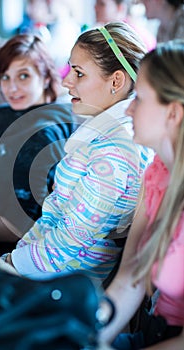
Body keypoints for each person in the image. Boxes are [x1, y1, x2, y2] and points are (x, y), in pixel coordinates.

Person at [0, 21, 152, 282]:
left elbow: (69, 242)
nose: (67, 81)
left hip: (64, 288)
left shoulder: (114, 152)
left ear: (116, 80)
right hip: (43, 269)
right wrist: (15, 256)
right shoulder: (105, 136)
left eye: (79, 73)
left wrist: (10, 263)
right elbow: (55, 214)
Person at [0, 34, 78, 253]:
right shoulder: (1, 113)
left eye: (23, 76)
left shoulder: (46, 133)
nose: (12, 88)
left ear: (46, 77)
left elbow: (20, 226)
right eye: (5, 77)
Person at [99, 39, 184, 349]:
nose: (129, 107)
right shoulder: (157, 172)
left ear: (173, 113)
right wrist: (90, 336)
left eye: (139, 97)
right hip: (151, 329)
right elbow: (130, 277)